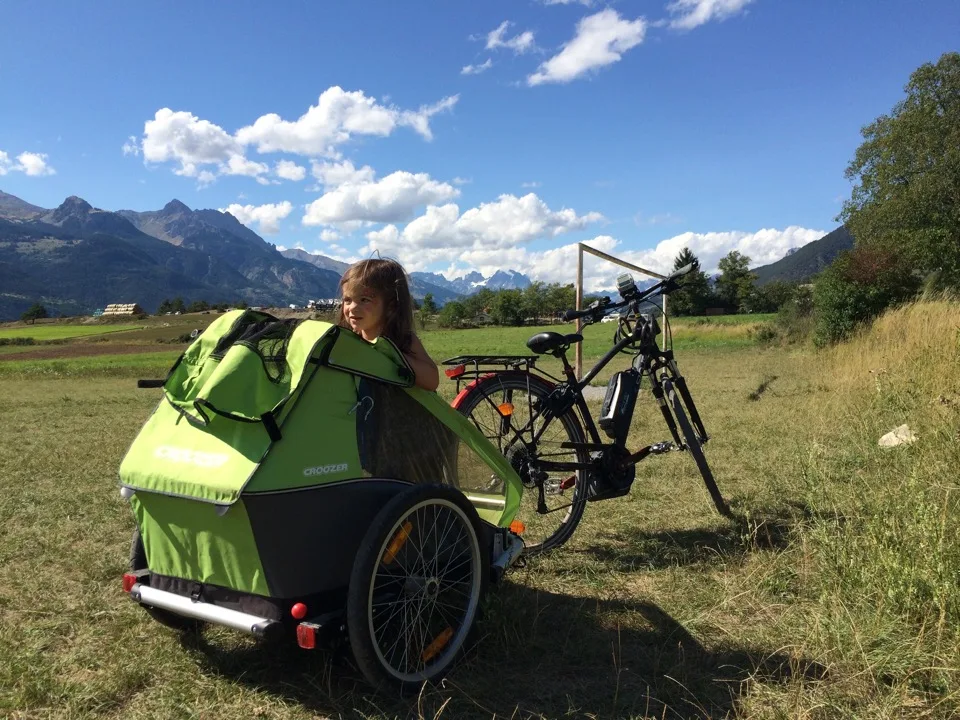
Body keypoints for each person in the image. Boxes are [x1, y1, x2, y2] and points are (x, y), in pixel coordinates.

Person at [338, 258, 440, 392]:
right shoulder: (347, 340)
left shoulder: (404, 341)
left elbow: (432, 381)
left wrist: (393, 356)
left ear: (391, 306)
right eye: (348, 300)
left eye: (364, 300)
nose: (352, 308)